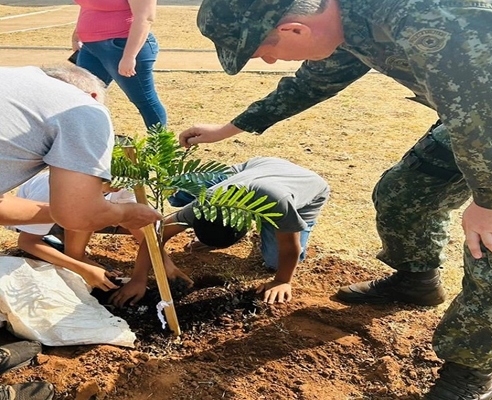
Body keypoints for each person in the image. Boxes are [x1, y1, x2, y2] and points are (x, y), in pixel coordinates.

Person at [177, 0, 492, 398]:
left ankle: (470, 376)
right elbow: (314, 80)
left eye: (265, 52)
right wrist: (230, 128)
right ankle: (416, 281)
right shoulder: (349, 21)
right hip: (476, 120)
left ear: (295, 29)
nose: (272, 61)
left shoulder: (430, 17)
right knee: (404, 193)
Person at [0, 64, 161, 399]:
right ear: (92, 95)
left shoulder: (16, 86)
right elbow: (74, 214)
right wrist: (122, 215)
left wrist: (148, 272)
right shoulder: (84, 108)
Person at [109, 156, 330, 307]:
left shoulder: (277, 202)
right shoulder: (204, 203)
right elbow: (157, 232)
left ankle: (267, 230)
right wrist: (138, 279)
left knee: (274, 260)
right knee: (179, 193)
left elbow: (290, 247)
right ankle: (190, 204)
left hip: (306, 190)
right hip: (255, 168)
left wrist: (282, 280)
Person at [10, 170, 146, 292]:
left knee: (124, 215)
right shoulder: (53, 189)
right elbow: (27, 242)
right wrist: (81, 268)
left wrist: (162, 265)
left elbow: (140, 225)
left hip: (76, 215)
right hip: (32, 221)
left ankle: (75, 253)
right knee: (86, 211)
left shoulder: (124, 180)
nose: (118, 185)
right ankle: (75, 255)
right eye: (110, 180)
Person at [72, 0, 167, 129]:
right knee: (83, 97)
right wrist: (77, 34)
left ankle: (160, 146)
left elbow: (145, 18)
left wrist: (129, 56)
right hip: (90, 47)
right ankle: (89, 142)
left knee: (144, 100)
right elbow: (88, 6)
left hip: (122, 46)